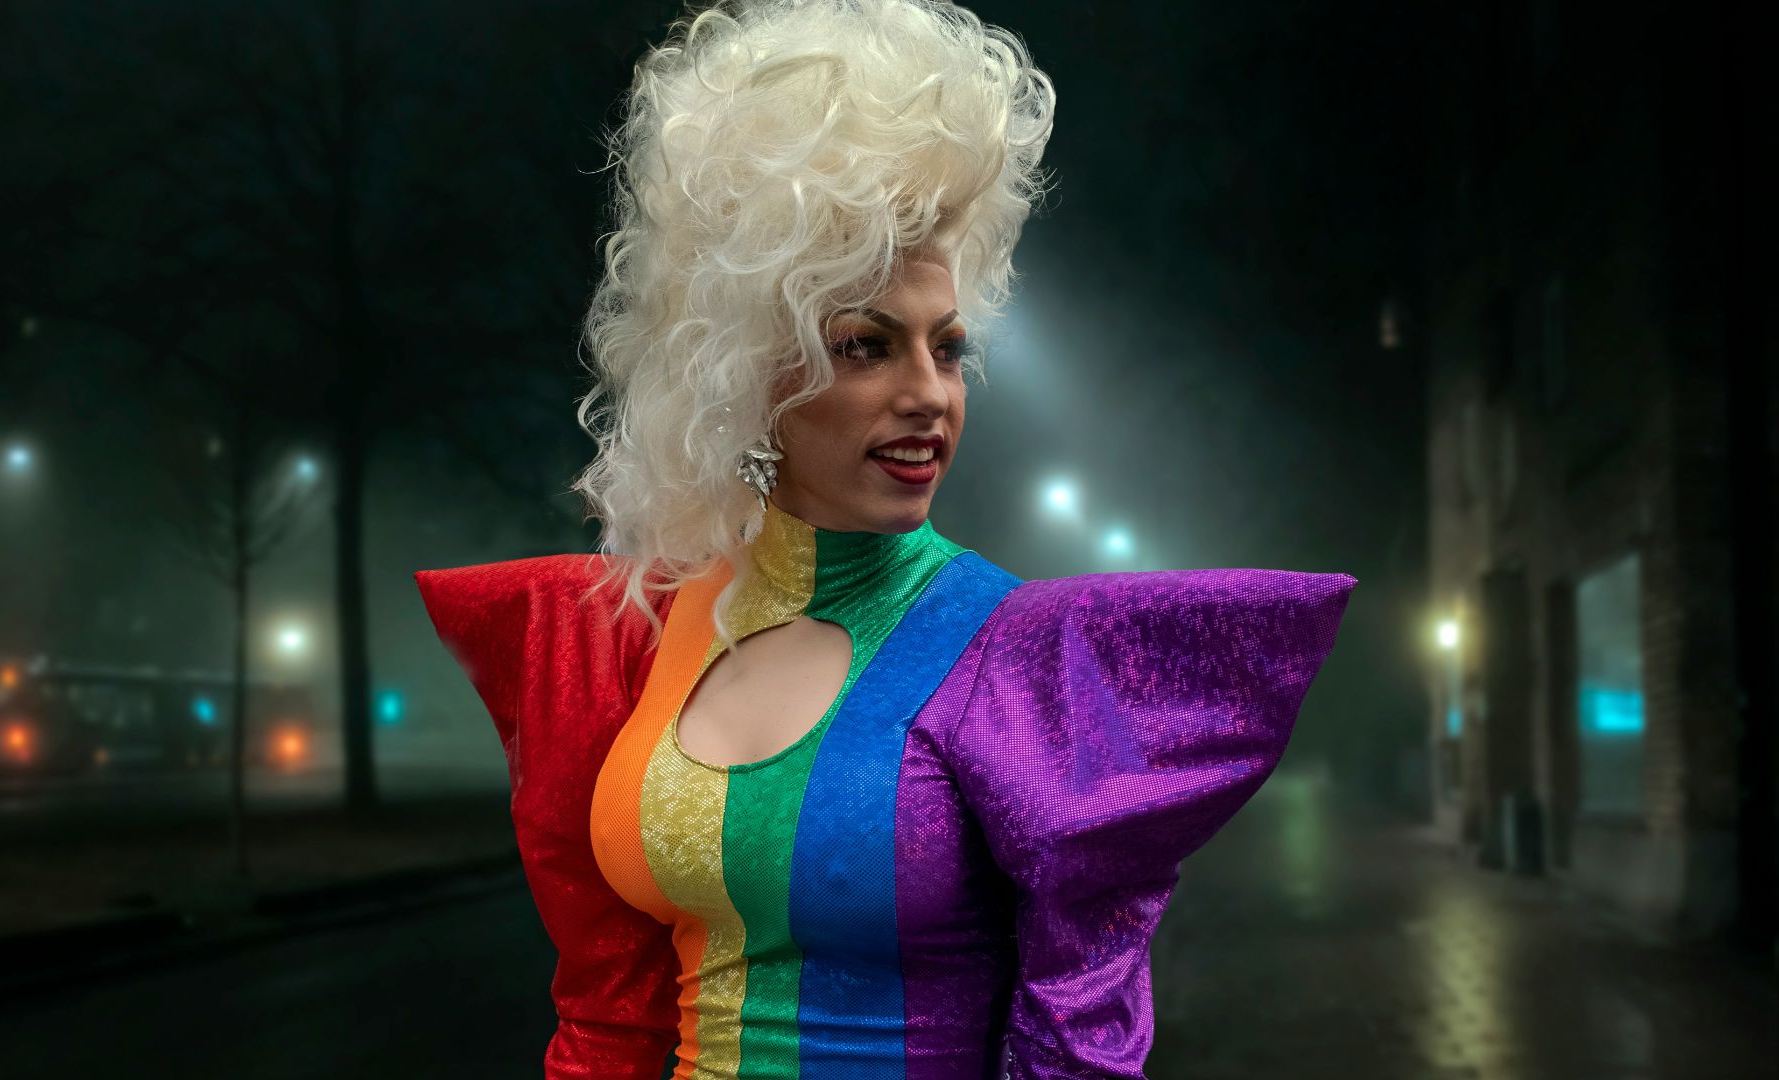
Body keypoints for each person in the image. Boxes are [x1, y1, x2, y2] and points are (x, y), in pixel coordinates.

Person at [415, 1, 1357, 1077]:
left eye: (947, 350)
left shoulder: (1010, 657)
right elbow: (608, 1022)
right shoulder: (638, 639)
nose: (929, 395)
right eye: (866, 346)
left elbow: (1073, 1052)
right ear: (749, 372)